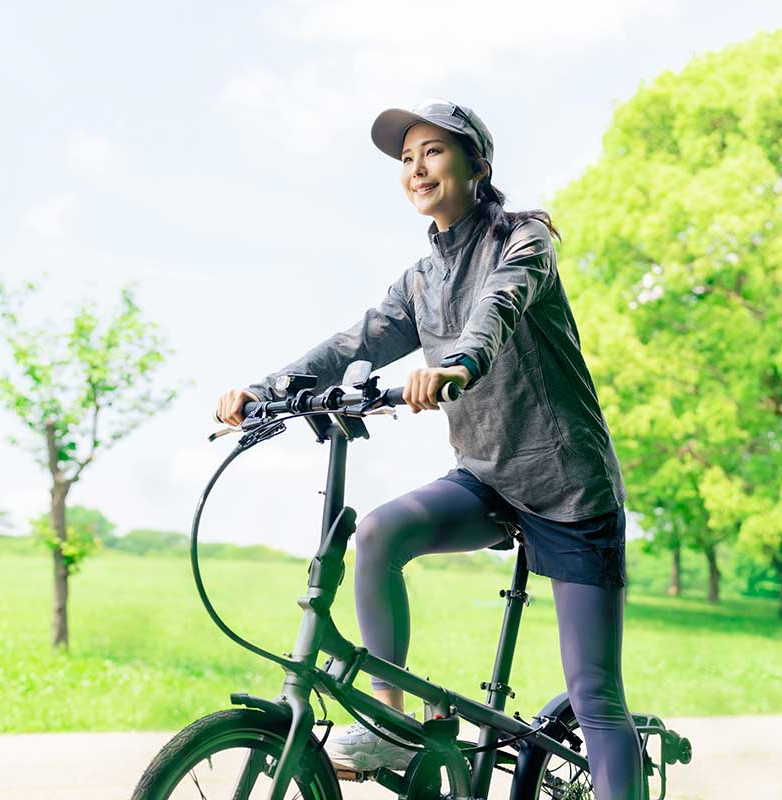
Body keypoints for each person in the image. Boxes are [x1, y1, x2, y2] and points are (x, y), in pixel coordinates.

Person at [215, 98, 643, 798]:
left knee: (594, 694)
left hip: (568, 486)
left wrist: (458, 367)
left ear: (478, 164)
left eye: (434, 152)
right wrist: (263, 390)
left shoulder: (524, 239)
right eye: (407, 158)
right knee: (379, 532)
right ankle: (388, 726)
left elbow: (497, 310)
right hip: (486, 477)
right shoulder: (421, 279)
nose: (417, 167)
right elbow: (354, 344)